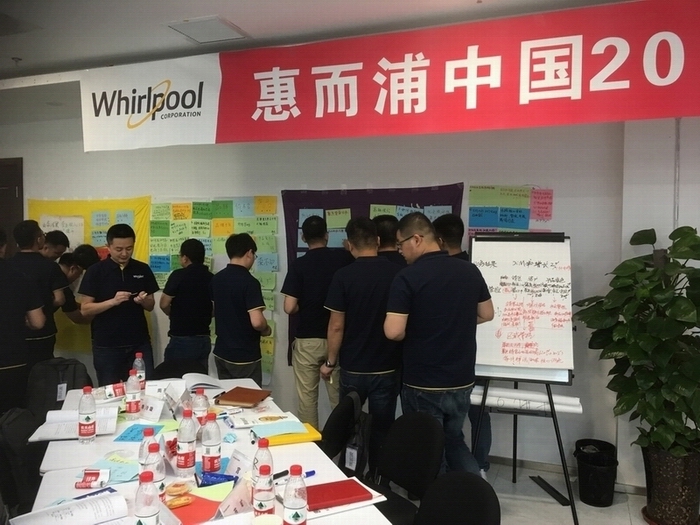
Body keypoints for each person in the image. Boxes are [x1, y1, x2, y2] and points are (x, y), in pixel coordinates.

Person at [384, 212, 494, 474]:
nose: (400, 251)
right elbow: (487, 313)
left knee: (428, 448)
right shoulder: (469, 270)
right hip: (461, 379)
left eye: (401, 244)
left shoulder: (408, 277)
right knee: (453, 440)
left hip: (424, 381)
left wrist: (422, 326)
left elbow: (393, 332)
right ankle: (475, 489)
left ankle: (437, 496)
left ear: (417, 239)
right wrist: (455, 322)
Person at [322, 217, 402, 479]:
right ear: (377, 241)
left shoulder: (343, 276)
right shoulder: (397, 274)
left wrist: (330, 362)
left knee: (350, 426)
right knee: (383, 428)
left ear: (349, 244)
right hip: (387, 367)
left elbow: (336, 326)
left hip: (353, 368)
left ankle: (350, 477)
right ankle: (380, 479)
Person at [433, 212, 491, 479]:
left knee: (444, 430)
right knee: (477, 415)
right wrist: (464, 321)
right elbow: (487, 313)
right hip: (474, 356)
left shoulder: (435, 271)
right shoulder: (473, 266)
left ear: (439, 240)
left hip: (441, 361)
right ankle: (480, 467)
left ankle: (451, 477)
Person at [281, 215, 353, 430]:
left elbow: (289, 307)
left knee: (307, 400)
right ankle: (343, 446)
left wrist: (305, 304)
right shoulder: (343, 259)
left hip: (308, 341)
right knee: (340, 401)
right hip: (338, 340)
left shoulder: (299, 265)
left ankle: (312, 445)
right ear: (326, 235)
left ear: (303, 238)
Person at [79, 224, 159, 386]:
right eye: (119, 249)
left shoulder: (142, 269)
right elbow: (85, 309)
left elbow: (150, 305)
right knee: (109, 391)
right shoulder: (95, 271)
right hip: (107, 346)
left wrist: (144, 301)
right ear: (108, 246)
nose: (124, 253)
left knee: (144, 389)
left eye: (129, 248)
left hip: (139, 344)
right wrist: (112, 302)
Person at [211, 233, 271, 386]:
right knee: (250, 397)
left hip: (222, 352)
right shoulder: (250, 282)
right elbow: (257, 322)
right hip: (245, 356)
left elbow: (213, 311)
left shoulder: (217, 279)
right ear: (249, 253)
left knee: (227, 396)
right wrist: (266, 329)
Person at [7, 220, 68, 370]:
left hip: (15, 332)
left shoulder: (8, 265)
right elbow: (60, 299)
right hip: (43, 332)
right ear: (39, 239)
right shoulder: (50, 266)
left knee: (19, 374)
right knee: (43, 374)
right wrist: (42, 308)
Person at [0, 254, 45, 415]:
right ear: (3, 247)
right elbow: (38, 322)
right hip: (12, 359)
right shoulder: (20, 277)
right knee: (12, 416)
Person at [160, 239, 213, 372]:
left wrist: (171, 313)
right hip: (204, 338)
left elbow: (164, 303)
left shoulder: (178, 275)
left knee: (175, 377)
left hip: (181, 338)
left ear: (184, 258)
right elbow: (216, 308)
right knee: (200, 378)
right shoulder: (211, 277)